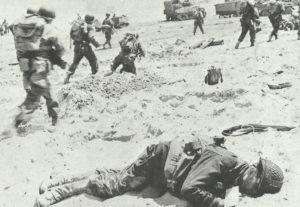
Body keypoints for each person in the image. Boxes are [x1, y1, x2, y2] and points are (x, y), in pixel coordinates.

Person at [34, 136, 284, 207]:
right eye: (256, 191)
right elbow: (189, 189)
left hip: (167, 163)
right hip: (159, 160)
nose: (253, 196)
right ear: (254, 175)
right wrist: (218, 204)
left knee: (119, 173)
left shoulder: (235, 169)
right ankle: (57, 193)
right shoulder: (225, 162)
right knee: (115, 186)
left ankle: (60, 179)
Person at [6, 7, 65, 135]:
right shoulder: (46, 27)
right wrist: (56, 56)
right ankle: (14, 125)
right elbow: (61, 47)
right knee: (36, 98)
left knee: (43, 92)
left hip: (26, 65)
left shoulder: (21, 25)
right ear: (49, 18)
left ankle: (53, 120)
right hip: (40, 66)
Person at [64, 14, 101, 84]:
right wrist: (97, 44)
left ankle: (67, 77)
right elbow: (90, 38)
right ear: (91, 20)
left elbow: (72, 36)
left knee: (75, 62)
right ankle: (94, 75)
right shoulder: (90, 27)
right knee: (93, 60)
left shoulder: (79, 25)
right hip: (86, 47)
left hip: (77, 47)